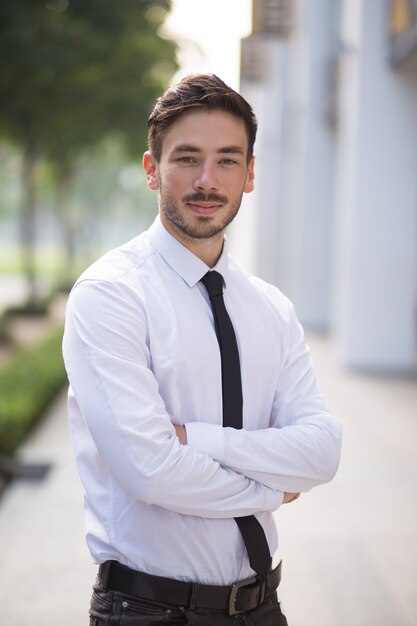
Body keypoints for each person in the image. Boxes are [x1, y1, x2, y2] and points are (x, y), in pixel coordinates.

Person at [63, 73, 342, 625]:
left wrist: (200, 440)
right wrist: (272, 490)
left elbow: (321, 451)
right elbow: (151, 472)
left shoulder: (270, 307)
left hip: (263, 606)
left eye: (228, 160)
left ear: (251, 174)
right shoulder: (111, 295)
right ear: (152, 170)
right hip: (148, 611)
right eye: (187, 158)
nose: (207, 180)